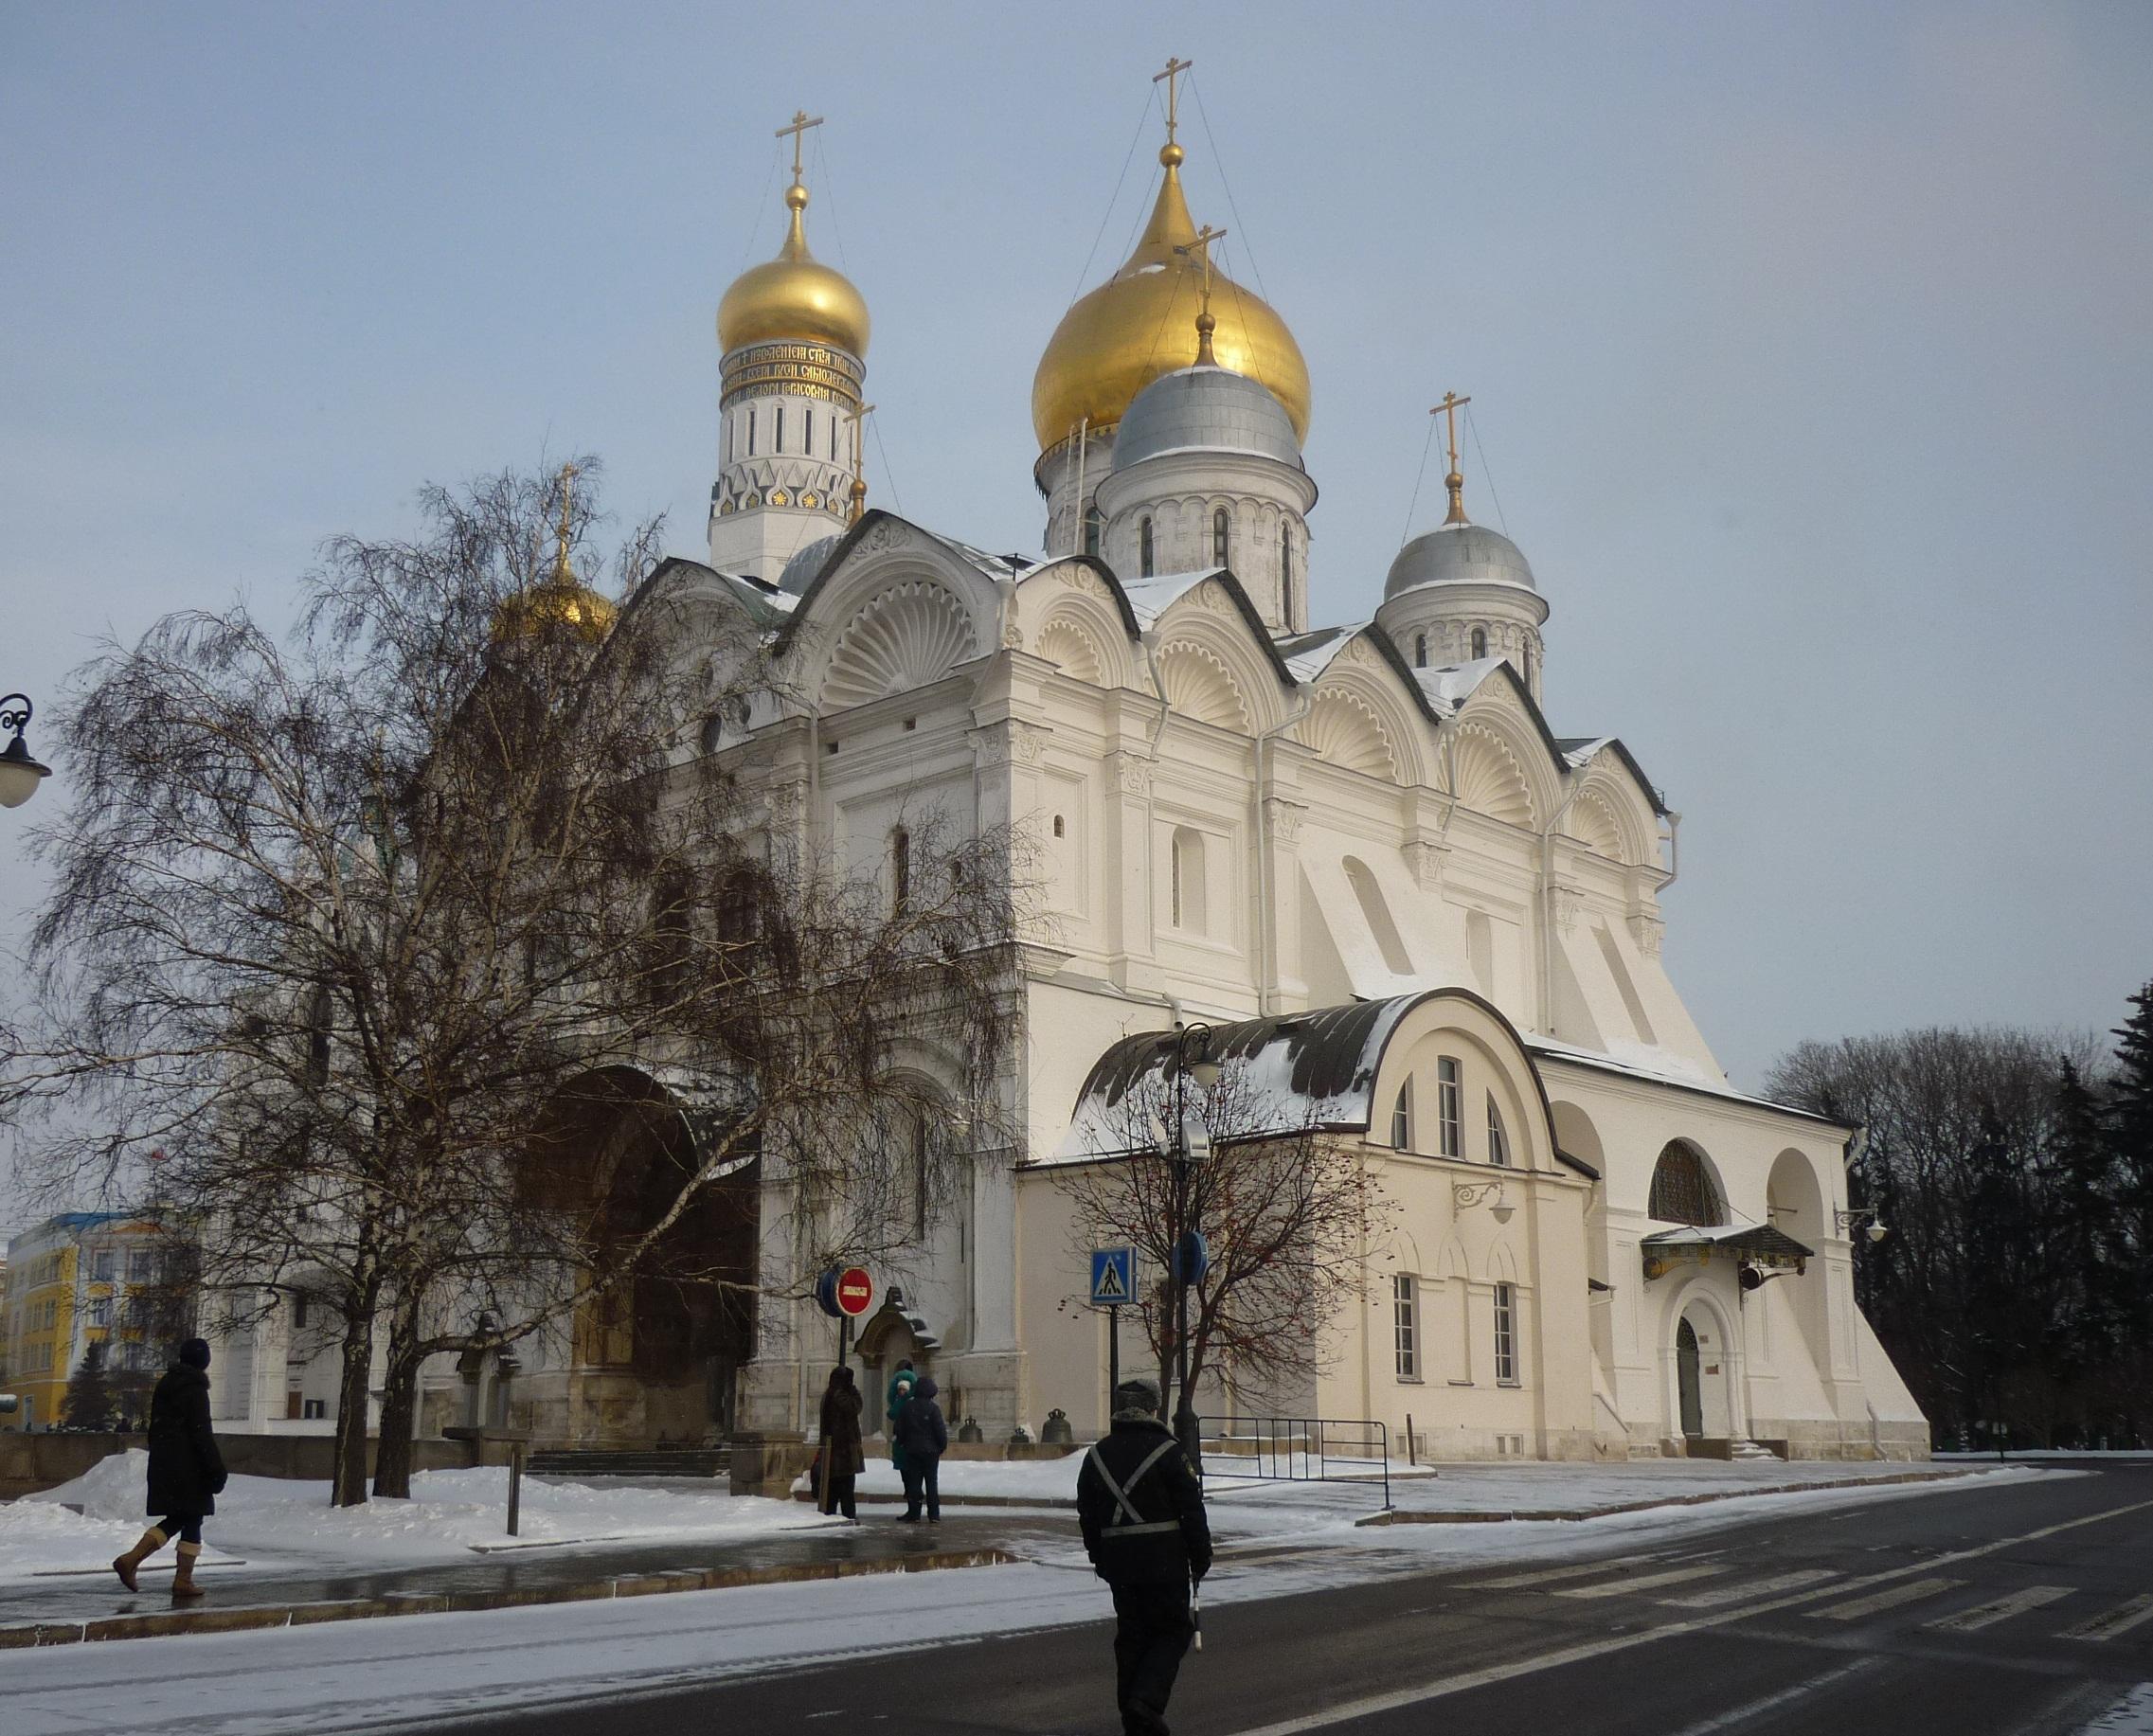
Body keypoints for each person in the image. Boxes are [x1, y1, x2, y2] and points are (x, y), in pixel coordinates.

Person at [1076, 1376, 1211, 1736]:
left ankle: (1134, 1717)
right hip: (1164, 1559)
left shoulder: (1096, 1455)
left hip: (1120, 1564)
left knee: (1132, 1636)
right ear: (1154, 1409)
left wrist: (1099, 1559)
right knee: (1172, 1631)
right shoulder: (1169, 1452)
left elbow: (1087, 1514)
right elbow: (1191, 1510)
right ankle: (1146, 1702)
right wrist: (1200, 1557)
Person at [112, 1338, 228, 1600]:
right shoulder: (195, 1390)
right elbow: (201, 1433)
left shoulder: (166, 1384)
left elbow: (158, 1428)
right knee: (186, 1516)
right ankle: (135, 1561)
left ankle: (179, 1579)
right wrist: (216, 1468)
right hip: (189, 1467)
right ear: (204, 1361)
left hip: (166, 1462)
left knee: (188, 1517)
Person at [892, 1373, 946, 1522]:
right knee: (931, 1483)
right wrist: (941, 1446)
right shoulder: (933, 1408)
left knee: (914, 1482)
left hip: (912, 1450)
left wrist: (903, 1442)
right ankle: (934, 1514)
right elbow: (940, 1430)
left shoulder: (908, 1406)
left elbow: (899, 1428)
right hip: (931, 1452)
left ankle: (914, 1513)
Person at [816, 1365, 865, 1520]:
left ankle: (831, 1514)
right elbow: (855, 1406)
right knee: (845, 1490)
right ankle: (846, 1517)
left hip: (834, 1450)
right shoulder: (840, 1395)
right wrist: (853, 1390)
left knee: (834, 1489)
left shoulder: (829, 1394)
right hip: (842, 1451)